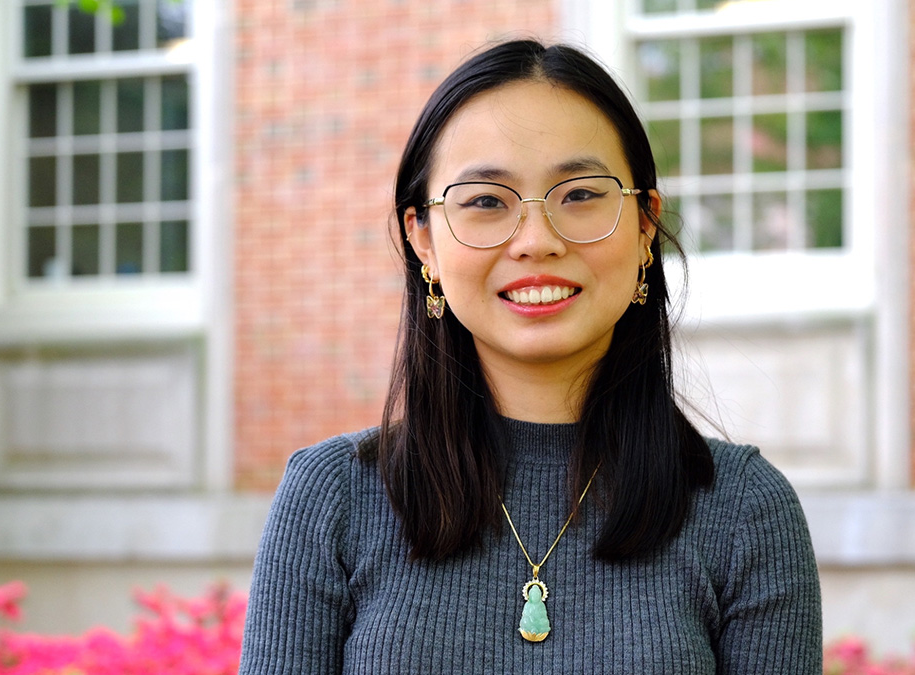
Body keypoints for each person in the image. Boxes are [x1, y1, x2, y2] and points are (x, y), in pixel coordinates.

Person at [239, 39, 821, 674]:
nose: (536, 241)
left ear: (645, 226)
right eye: (486, 202)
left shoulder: (743, 513)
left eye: (579, 195)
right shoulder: (331, 501)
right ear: (423, 238)